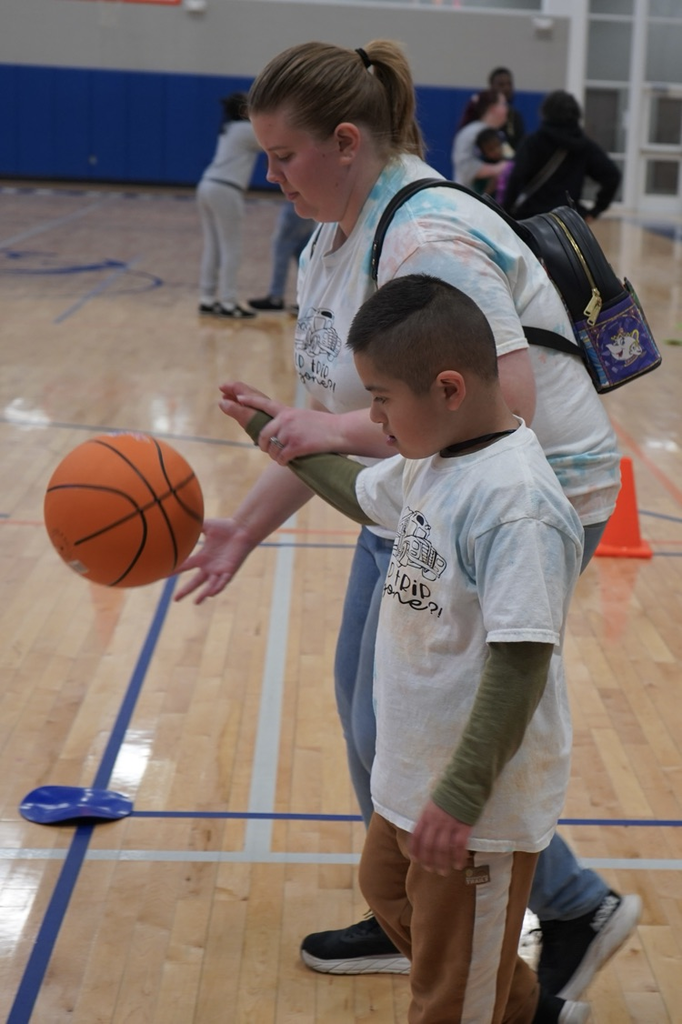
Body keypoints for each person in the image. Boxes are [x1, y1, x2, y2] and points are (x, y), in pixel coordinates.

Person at [176, 39, 640, 1000]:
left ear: (346, 141)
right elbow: (332, 435)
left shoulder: (426, 234)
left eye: (284, 155)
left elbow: (499, 391)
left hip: (521, 491)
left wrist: (339, 423)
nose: (270, 175)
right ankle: (422, 908)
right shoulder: (331, 239)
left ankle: (564, 904)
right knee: (371, 709)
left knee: (437, 719)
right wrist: (243, 528)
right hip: (421, 477)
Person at [219, 273, 590, 1024]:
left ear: (449, 388)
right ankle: (522, 1006)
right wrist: (277, 438)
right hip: (412, 770)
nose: (372, 419)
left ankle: (489, 1002)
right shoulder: (437, 455)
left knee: (446, 1001)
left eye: (381, 398)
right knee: (388, 890)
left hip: (475, 799)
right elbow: (362, 494)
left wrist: (459, 794)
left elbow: (522, 663)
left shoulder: (516, 505)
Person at [503, 90, 621, 222]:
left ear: (545, 113)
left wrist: (505, 212)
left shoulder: (533, 142)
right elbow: (612, 176)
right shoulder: (584, 146)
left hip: (531, 217)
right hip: (568, 220)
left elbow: (515, 177)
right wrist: (595, 210)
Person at [196, 92, 261, 319]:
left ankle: (206, 299)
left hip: (207, 185)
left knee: (213, 246)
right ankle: (228, 302)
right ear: (244, 111)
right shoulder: (245, 131)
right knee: (232, 247)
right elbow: (274, 137)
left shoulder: (230, 128)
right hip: (225, 189)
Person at [249, 201, 315, 311]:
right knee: (304, 250)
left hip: (297, 202)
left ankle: (276, 296)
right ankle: (310, 299)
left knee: (282, 246)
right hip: (310, 204)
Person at [452, 89, 513, 191]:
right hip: (468, 198)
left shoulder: (499, 134)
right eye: (503, 104)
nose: (507, 109)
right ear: (493, 108)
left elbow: (510, 158)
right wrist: (498, 169)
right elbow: (466, 168)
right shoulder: (471, 133)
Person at [457, 66, 526, 153]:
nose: (506, 88)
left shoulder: (515, 116)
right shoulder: (476, 126)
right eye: (501, 84)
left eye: (509, 84)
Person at [474, 127, 513, 204]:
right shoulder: (482, 174)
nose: (496, 150)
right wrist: (491, 186)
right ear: (483, 152)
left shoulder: (511, 161)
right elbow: (479, 199)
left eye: (497, 145)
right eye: (490, 149)